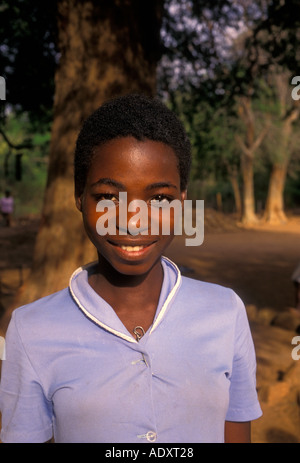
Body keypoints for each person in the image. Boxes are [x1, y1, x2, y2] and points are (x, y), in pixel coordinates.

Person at [0, 94, 262, 443]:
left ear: (182, 201)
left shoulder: (225, 313)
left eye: (159, 199)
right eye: (109, 197)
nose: (134, 222)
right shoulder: (31, 330)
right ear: (80, 196)